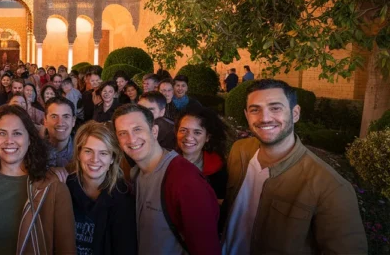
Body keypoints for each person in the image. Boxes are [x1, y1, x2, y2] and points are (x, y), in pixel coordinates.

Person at [222, 79, 367, 254]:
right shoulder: (240, 151)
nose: (264, 118)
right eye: (255, 109)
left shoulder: (330, 187)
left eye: (275, 108)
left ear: (295, 113)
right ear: (246, 115)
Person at [0, 105, 76, 254]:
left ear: (30, 139)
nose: (9, 140)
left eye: (17, 133)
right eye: (2, 133)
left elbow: (66, 250)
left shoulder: (54, 188)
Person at [113, 103, 221, 254]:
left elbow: (207, 248)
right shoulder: (136, 174)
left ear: (154, 131)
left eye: (137, 129)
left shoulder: (185, 180)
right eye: (123, 133)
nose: (131, 139)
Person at [67, 122, 137, 255]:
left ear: (112, 159)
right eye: (88, 151)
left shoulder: (123, 198)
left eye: (103, 153)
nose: (95, 160)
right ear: (78, 154)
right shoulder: (65, 187)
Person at [175, 107, 229, 201]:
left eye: (197, 132)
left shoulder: (218, 168)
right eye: (183, 130)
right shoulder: (165, 162)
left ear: (207, 137)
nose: (188, 137)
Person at [44, 97, 76, 169]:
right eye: (54, 116)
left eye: (66, 116)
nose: (60, 123)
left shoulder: (82, 151)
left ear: (73, 121)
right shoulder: (34, 152)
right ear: (45, 121)